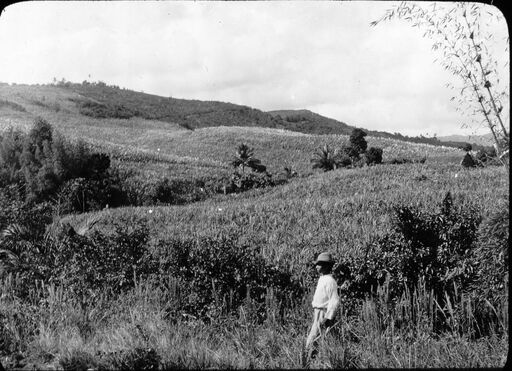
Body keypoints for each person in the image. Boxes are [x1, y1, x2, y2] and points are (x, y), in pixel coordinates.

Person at [305, 252, 340, 362]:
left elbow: (334, 301)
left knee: (314, 337)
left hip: (323, 313)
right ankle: (319, 359)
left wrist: (329, 318)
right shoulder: (323, 279)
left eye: (319, 264)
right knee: (321, 336)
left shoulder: (330, 281)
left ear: (326, 266)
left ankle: (307, 358)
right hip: (318, 312)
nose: (316, 267)